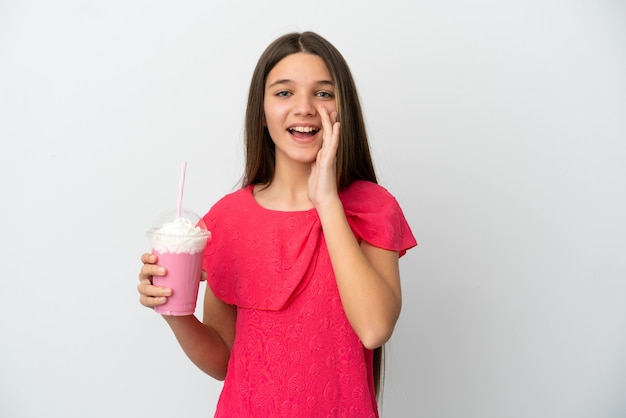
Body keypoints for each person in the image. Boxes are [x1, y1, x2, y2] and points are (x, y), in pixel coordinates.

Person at [138, 31, 417, 417]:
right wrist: (176, 312)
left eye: (323, 93)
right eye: (284, 93)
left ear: (342, 110)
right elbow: (223, 360)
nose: (304, 107)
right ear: (262, 111)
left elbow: (374, 328)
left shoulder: (372, 207)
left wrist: (327, 203)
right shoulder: (227, 220)